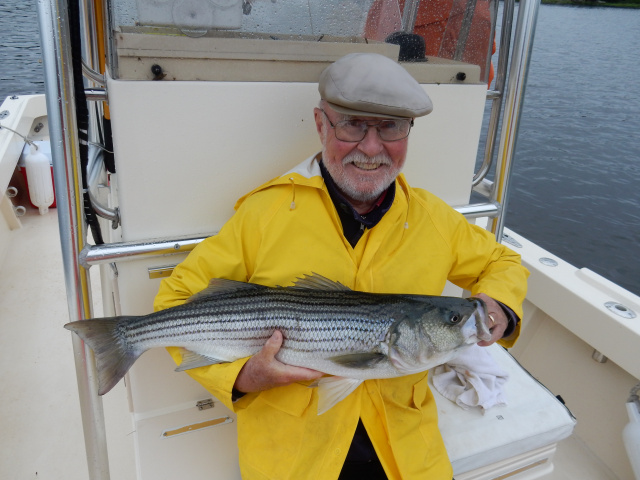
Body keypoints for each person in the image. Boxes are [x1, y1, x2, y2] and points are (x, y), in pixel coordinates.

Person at [154, 52, 528, 479]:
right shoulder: (265, 214)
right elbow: (174, 301)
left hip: (405, 450)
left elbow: (501, 260)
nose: (371, 148)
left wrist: (500, 305)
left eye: (390, 127)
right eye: (352, 124)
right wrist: (242, 377)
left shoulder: (433, 218)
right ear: (320, 124)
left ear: (408, 131)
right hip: (294, 455)